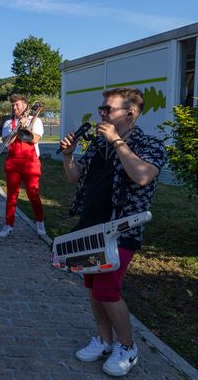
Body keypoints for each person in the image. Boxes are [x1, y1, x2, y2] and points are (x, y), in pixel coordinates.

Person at [59, 88, 166, 377]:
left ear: (130, 113)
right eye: (101, 109)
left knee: (108, 289)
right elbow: (75, 177)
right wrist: (69, 157)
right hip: (90, 226)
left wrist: (117, 141)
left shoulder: (149, 144)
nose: (102, 114)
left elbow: (142, 176)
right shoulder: (97, 145)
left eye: (109, 110)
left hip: (122, 229)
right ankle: (104, 340)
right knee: (93, 287)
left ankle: (128, 347)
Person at [0, 94, 45, 238]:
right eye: (12, 105)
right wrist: (18, 128)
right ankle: (9, 224)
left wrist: (25, 126)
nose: (14, 107)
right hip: (13, 162)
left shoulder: (35, 120)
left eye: (17, 104)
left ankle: (40, 222)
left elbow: (36, 139)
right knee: (11, 195)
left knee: (33, 194)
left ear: (25, 106)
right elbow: (6, 142)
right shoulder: (8, 123)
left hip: (30, 162)